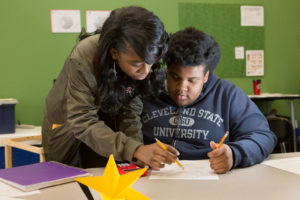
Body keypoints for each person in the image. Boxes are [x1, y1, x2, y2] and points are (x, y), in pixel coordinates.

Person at [42, 6, 178, 169]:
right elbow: (82, 120)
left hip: (105, 131)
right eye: (136, 64)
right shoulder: (84, 56)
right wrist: (134, 149)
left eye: (151, 62)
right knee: (71, 184)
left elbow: (130, 112)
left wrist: (138, 155)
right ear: (114, 53)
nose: (145, 71)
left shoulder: (142, 60)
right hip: (70, 130)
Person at [138, 27, 277, 174]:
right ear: (167, 71)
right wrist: (137, 150)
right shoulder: (146, 88)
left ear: (205, 76)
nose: (182, 88)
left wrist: (234, 154)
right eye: (175, 77)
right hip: (152, 178)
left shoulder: (227, 94)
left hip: (211, 177)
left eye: (192, 80)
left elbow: (263, 136)